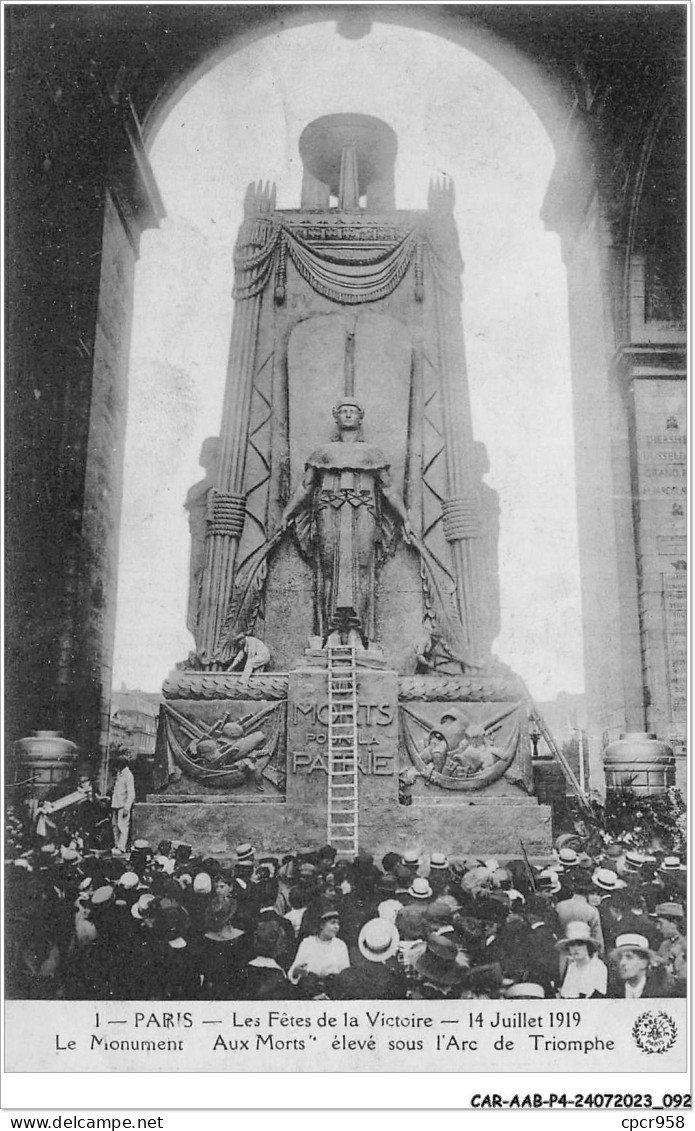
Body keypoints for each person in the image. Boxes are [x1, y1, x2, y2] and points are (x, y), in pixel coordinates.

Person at [281, 399, 410, 647]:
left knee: (361, 569)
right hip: (329, 510)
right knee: (329, 569)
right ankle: (330, 631)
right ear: (336, 417)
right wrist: (286, 515)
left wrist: (406, 519)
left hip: (364, 511)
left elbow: (389, 489)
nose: (348, 414)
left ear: (361, 417)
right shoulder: (322, 452)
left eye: (352, 411)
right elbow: (306, 486)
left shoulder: (373, 453)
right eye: (343, 411)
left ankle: (356, 632)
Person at [287, 907, 350, 995]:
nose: (337, 927)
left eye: (338, 923)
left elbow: (345, 974)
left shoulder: (340, 945)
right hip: (309, 991)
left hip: (332, 992)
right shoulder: (307, 943)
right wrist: (296, 972)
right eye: (332, 923)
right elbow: (293, 972)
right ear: (322, 925)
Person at [607, 933, 674, 998]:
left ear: (644, 962)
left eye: (629, 957)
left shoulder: (660, 993)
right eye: (620, 958)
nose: (622, 963)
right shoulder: (612, 993)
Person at [556, 921, 607, 998]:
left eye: (580, 944)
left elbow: (598, 997)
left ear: (588, 946)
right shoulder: (572, 967)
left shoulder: (598, 966)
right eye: (572, 945)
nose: (576, 949)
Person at [110, 755, 135, 854]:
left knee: (123, 827)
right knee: (115, 826)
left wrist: (127, 808)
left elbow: (131, 793)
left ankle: (121, 847)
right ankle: (116, 845)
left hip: (123, 806)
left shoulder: (128, 775)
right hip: (116, 804)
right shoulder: (119, 773)